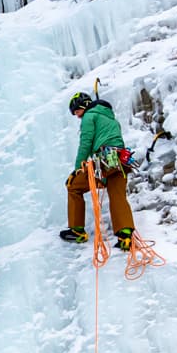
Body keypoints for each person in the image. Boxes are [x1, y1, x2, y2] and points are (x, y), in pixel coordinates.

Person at [62, 93, 137, 250]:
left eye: (76, 112)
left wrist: (77, 170)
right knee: (117, 195)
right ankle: (125, 236)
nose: (77, 117)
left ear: (83, 106)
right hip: (120, 160)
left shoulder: (89, 116)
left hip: (103, 161)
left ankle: (77, 231)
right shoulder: (111, 119)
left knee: (73, 186)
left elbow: (86, 142)